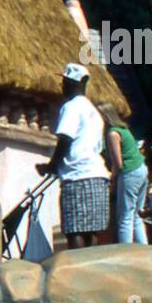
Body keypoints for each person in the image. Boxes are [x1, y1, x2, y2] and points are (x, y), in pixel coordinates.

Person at [38, 62, 110, 249]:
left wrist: (51, 165)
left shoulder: (71, 107)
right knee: (91, 231)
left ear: (76, 84)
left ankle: (75, 272)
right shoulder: (94, 112)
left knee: (75, 230)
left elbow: (65, 139)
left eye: (66, 82)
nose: (62, 86)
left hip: (77, 176)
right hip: (97, 175)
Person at [99, 103, 147, 244]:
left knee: (125, 215)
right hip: (141, 169)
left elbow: (118, 163)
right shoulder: (124, 129)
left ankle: (125, 250)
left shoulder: (113, 133)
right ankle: (144, 247)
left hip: (129, 172)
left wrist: (113, 180)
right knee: (135, 214)